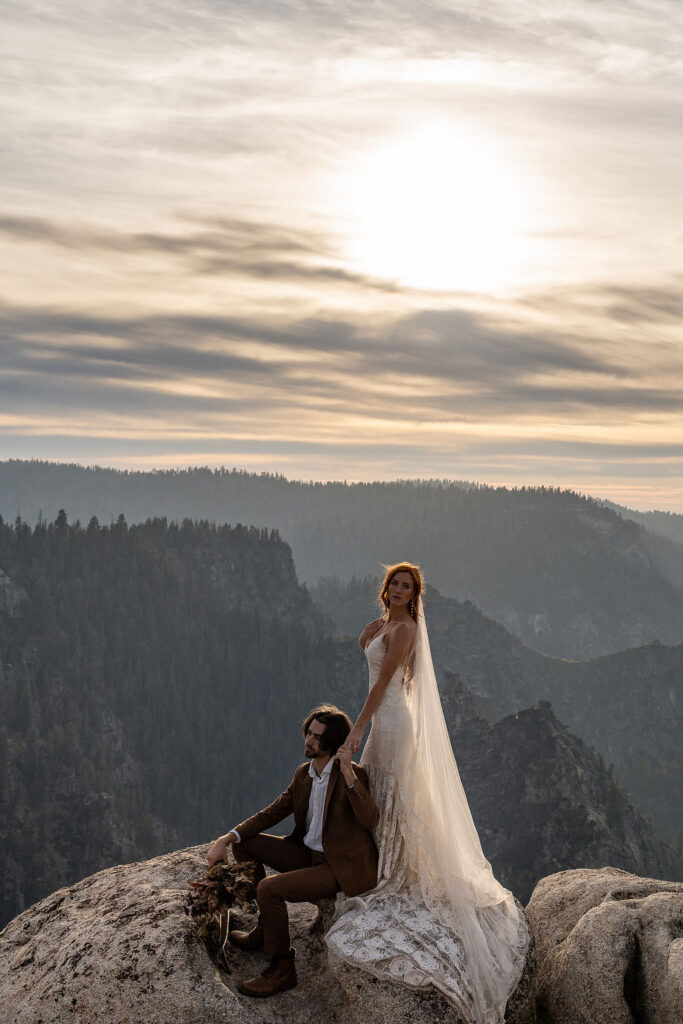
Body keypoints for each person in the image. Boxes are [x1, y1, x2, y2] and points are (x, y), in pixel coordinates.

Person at [325, 563, 529, 1024]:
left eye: (407, 586)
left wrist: (357, 730)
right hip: (387, 720)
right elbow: (367, 646)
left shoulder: (406, 629)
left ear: (415, 594)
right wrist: (375, 629)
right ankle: (383, 858)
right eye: (394, 584)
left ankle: (397, 869)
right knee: (381, 791)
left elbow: (384, 683)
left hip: (393, 719)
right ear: (386, 588)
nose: (399, 590)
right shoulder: (385, 624)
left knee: (394, 794)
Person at [207, 704, 379, 997]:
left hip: (337, 868)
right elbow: (272, 813)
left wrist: (348, 771)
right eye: (308, 733)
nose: (308, 740)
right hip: (306, 855)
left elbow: (370, 819)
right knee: (247, 844)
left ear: (333, 743)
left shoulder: (351, 775)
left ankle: (283, 968)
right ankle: (266, 929)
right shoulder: (305, 774)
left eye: (316, 737)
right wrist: (227, 838)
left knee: (269, 889)